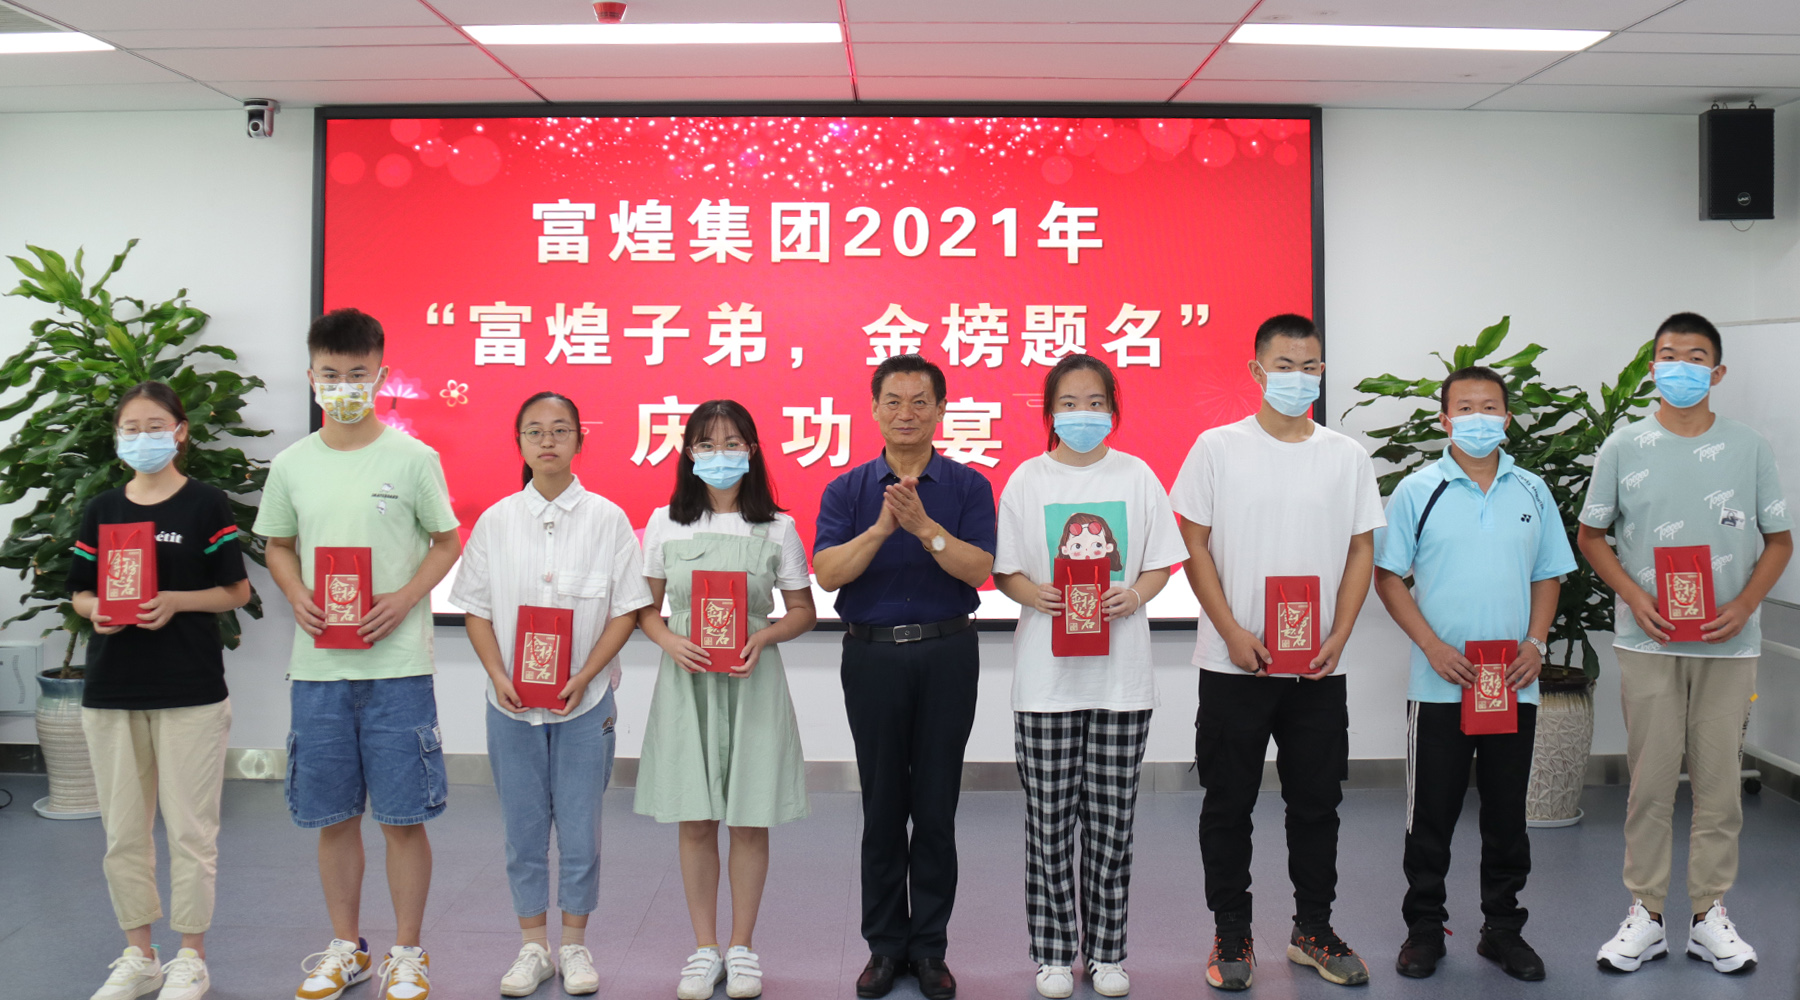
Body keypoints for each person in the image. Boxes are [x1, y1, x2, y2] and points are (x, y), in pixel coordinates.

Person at [1170, 314, 1385, 991]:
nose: (1298, 377)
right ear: (1257, 371)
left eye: (1310, 366)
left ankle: (1312, 929)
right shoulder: (1217, 447)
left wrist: (1340, 634)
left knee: (1317, 804)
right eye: (1285, 366)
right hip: (1232, 663)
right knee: (1227, 804)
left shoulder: (1346, 456)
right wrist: (1231, 630)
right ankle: (1231, 931)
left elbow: (1361, 548)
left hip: (1316, 667)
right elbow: (1192, 543)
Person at [254, 309, 462, 1000]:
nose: (344, 386)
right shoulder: (292, 464)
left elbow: (446, 542)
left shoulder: (413, 458)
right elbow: (277, 545)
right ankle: (348, 947)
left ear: (380, 374)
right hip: (318, 670)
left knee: (403, 818)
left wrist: (404, 598)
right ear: (311, 376)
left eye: (357, 374)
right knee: (333, 817)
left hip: (397, 668)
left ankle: (408, 951)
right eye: (331, 374)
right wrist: (295, 592)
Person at [1580, 313, 1792, 975]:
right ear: (1652, 369)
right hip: (1649, 642)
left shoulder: (1749, 447)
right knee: (1648, 784)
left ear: (1717, 372)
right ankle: (1645, 914)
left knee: (1720, 786)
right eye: (1669, 356)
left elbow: (1779, 540)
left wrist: (1745, 604)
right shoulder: (1624, 446)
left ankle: (1708, 915)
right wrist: (1634, 597)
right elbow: (1591, 535)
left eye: (1695, 357)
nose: (1681, 367)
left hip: (1730, 645)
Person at [992, 355, 1187, 999]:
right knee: (1047, 825)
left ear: (1113, 409)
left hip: (1121, 684)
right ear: (1050, 411)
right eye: (1069, 403)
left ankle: (1106, 952)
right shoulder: (1027, 479)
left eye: (1095, 402)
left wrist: (1136, 594)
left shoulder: (1137, 476)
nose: (1083, 414)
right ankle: (1052, 953)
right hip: (1045, 685)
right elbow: (1006, 570)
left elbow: (1161, 563)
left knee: (1111, 825)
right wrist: (1034, 593)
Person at [1372, 366, 1576, 982]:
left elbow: (1549, 573)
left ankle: (1503, 929)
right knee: (1430, 814)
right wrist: (1432, 646)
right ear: (1445, 420)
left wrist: (1536, 643)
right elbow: (1389, 576)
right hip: (1441, 683)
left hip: (1511, 682)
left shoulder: (1533, 490)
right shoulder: (1418, 489)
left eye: (1490, 407)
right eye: (1465, 407)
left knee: (1507, 813)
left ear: (1507, 419)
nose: (1478, 418)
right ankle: (1424, 930)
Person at [449, 392, 652, 997]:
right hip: (510, 704)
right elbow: (476, 609)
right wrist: (498, 674)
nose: (547, 441)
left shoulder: (608, 520)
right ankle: (532, 946)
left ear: (579, 441)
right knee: (523, 829)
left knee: (582, 829)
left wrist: (586, 674)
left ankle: (575, 945)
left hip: (586, 705)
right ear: (519, 442)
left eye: (560, 430)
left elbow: (625, 611)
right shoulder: (495, 521)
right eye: (534, 431)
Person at [813, 355, 996, 1000]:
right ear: (874, 410)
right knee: (883, 805)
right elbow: (828, 574)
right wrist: (883, 528)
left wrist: (925, 530)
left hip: (948, 654)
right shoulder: (848, 489)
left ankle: (930, 949)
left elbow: (979, 570)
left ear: (941, 411)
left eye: (921, 402)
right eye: (893, 401)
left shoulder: (968, 486)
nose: (907, 414)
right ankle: (885, 946)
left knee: (937, 807)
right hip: (873, 658)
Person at [70, 381, 251, 1000]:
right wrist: (96, 609)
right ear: (117, 436)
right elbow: (80, 591)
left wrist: (175, 600)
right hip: (112, 689)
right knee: (123, 833)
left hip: (189, 690)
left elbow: (236, 591)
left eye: (154, 426)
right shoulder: (101, 508)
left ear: (179, 432)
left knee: (191, 833)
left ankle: (190, 958)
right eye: (131, 428)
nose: (141, 437)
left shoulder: (205, 503)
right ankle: (139, 955)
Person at [633, 399, 815, 1000]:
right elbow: (645, 609)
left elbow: (802, 610)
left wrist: (764, 636)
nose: (720, 455)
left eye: (732, 443)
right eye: (707, 444)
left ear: (752, 451)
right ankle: (704, 948)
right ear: (688, 452)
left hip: (751, 679)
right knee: (695, 817)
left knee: (749, 817)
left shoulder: (779, 527)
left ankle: (741, 948)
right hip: (687, 681)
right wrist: (669, 640)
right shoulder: (665, 522)